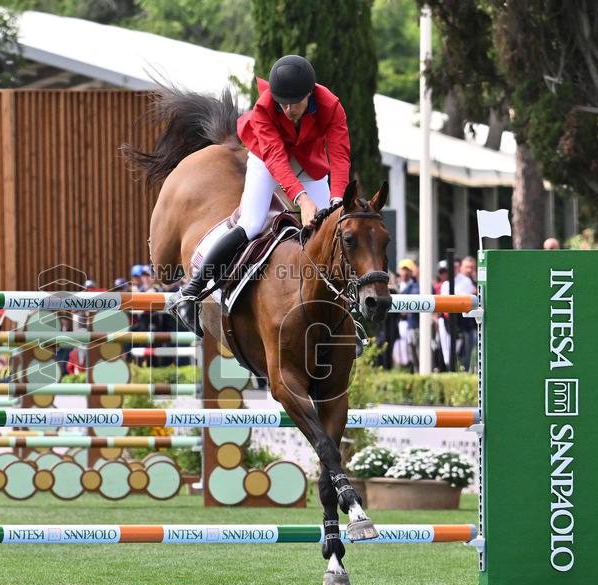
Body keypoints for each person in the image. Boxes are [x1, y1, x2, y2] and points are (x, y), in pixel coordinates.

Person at [172, 55, 352, 336]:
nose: (288, 109)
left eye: (295, 102)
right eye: (283, 103)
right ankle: (191, 292)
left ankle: (344, 317)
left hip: (309, 163)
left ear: (310, 94)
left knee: (331, 230)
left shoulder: (331, 105)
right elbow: (277, 160)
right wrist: (303, 199)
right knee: (252, 223)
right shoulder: (265, 107)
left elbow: (340, 157)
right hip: (269, 160)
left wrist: (337, 201)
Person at [392, 259, 419, 369]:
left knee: (413, 352)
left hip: (410, 324)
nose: (405, 272)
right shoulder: (395, 286)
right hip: (396, 324)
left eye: (408, 270)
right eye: (403, 269)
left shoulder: (415, 286)